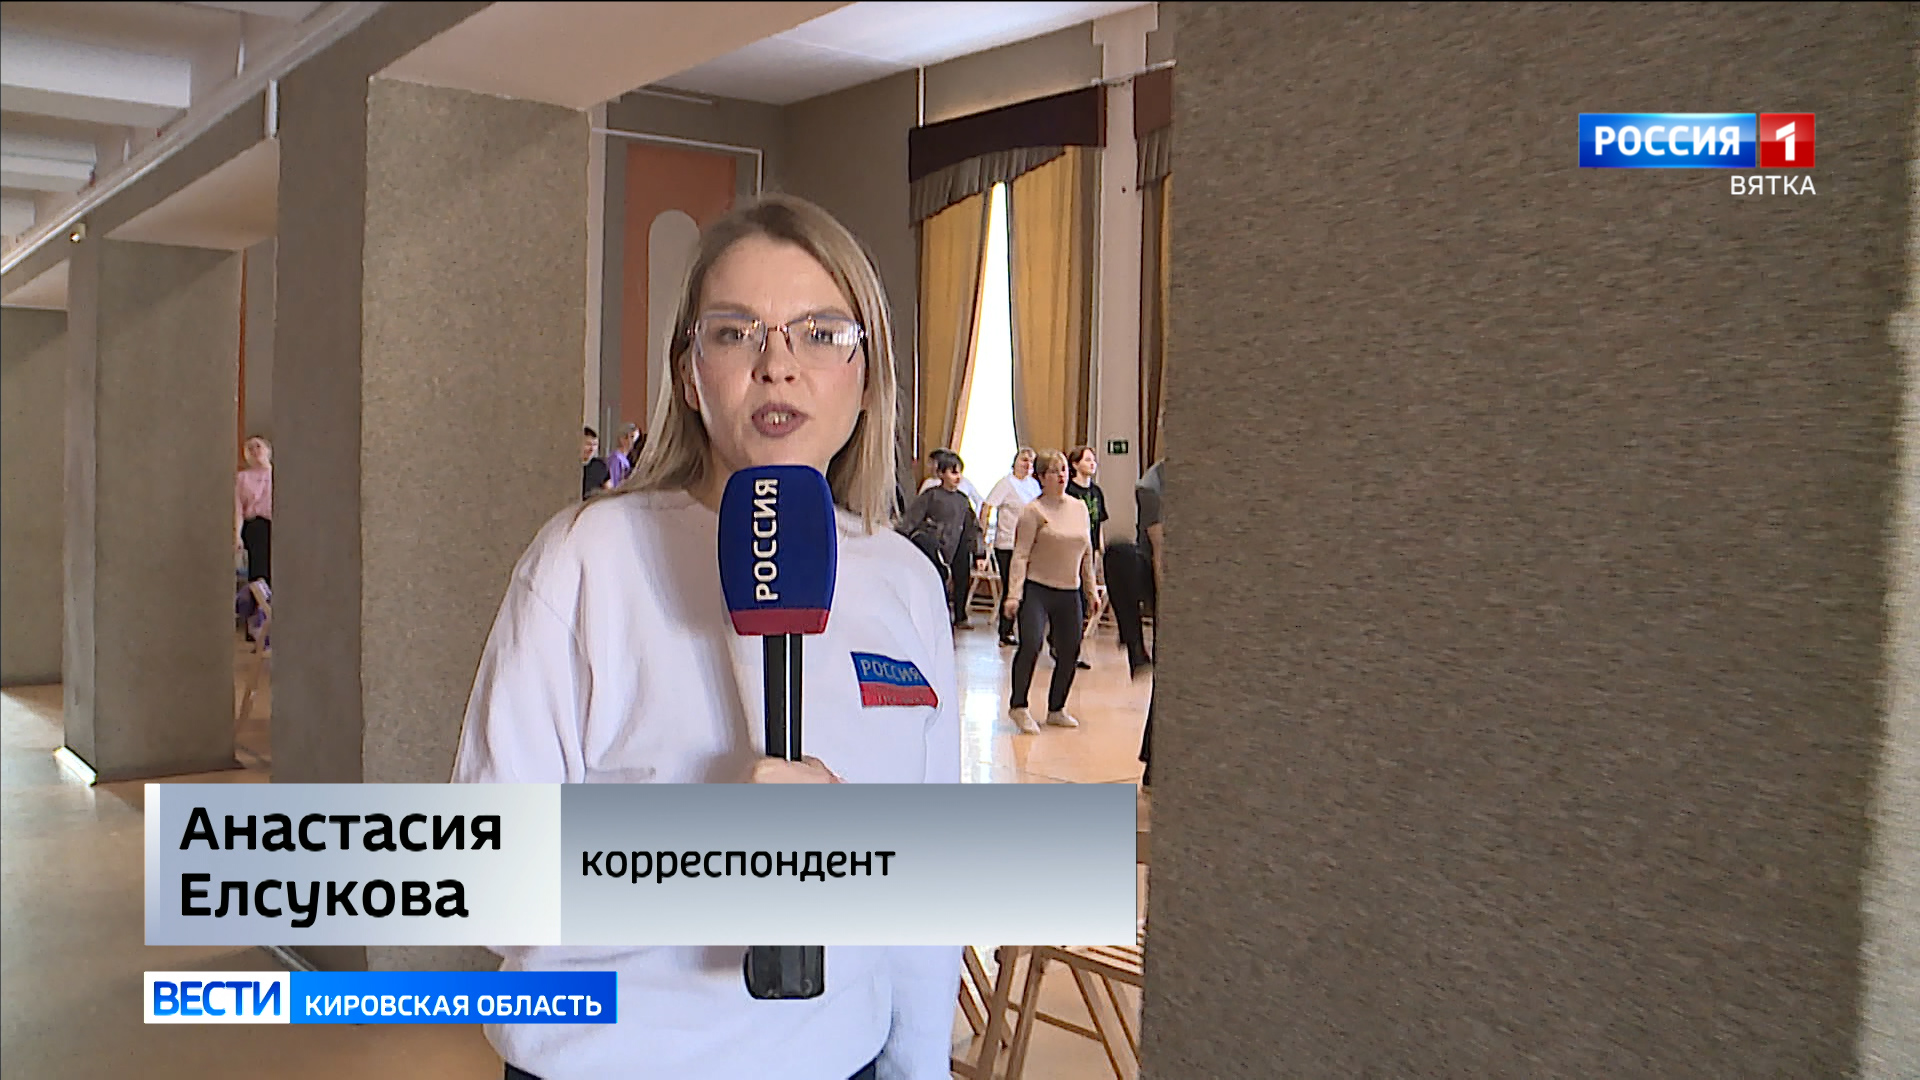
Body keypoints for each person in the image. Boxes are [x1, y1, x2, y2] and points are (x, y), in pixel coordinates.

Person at [452, 195, 960, 1080]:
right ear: (690, 376)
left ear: (867, 376)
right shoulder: (586, 560)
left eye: (820, 334)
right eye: (735, 333)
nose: (778, 366)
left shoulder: (905, 582)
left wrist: (919, 1068)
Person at [1003, 450, 1098, 735]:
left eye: (1064, 470)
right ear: (1041, 477)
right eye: (1054, 471)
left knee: (1070, 650)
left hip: (1069, 591)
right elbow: (1020, 555)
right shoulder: (1033, 511)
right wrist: (1014, 594)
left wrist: (1091, 590)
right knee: (1031, 644)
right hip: (1038, 589)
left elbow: (1086, 553)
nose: (1061, 476)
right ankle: (1019, 706)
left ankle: (1057, 708)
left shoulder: (1079, 508)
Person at [900, 448, 981, 627]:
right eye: (953, 472)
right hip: (936, 545)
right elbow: (912, 519)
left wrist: (979, 553)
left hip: (958, 544)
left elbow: (972, 526)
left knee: (962, 579)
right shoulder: (931, 495)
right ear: (942, 474)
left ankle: (960, 616)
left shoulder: (962, 500)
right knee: (938, 580)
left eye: (959, 472)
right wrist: (902, 537)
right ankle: (938, 616)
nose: (958, 477)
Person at [982, 448, 1039, 646]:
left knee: (1028, 589)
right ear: (1015, 462)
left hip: (1029, 544)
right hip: (1007, 543)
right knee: (1010, 586)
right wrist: (983, 535)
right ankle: (1005, 631)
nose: (1027, 464)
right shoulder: (1006, 484)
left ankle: (1026, 631)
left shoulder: (1034, 486)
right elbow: (987, 506)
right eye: (1024, 460)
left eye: (1031, 461)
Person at [1062, 446, 1108, 670]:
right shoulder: (1068, 490)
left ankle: (1073, 650)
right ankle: (1062, 643)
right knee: (1072, 599)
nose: (1092, 463)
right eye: (1087, 460)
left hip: (1090, 551)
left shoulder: (1096, 492)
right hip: (1071, 550)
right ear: (1075, 464)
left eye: (1093, 460)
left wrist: (1100, 547)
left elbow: (1099, 522)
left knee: (1084, 600)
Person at [234, 435, 273, 586]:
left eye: (258, 446)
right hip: (255, 525)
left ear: (267, 450)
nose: (255, 451)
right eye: (250, 449)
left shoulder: (277, 475)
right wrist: (237, 535)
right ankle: (260, 586)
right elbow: (238, 509)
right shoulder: (242, 478)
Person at [916, 447, 982, 509]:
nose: (929, 466)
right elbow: (919, 506)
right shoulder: (929, 483)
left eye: (932, 463)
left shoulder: (964, 482)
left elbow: (980, 502)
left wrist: (977, 514)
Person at [580, 426, 612, 499]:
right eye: (588, 444)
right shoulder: (569, 467)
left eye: (595, 445)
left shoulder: (601, 466)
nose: (592, 449)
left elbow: (608, 488)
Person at [607, 423, 640, 488]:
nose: (634, 441)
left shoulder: (627, 457)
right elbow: (615, 482)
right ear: (622, 438)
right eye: (632, 437)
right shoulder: (616, 458)